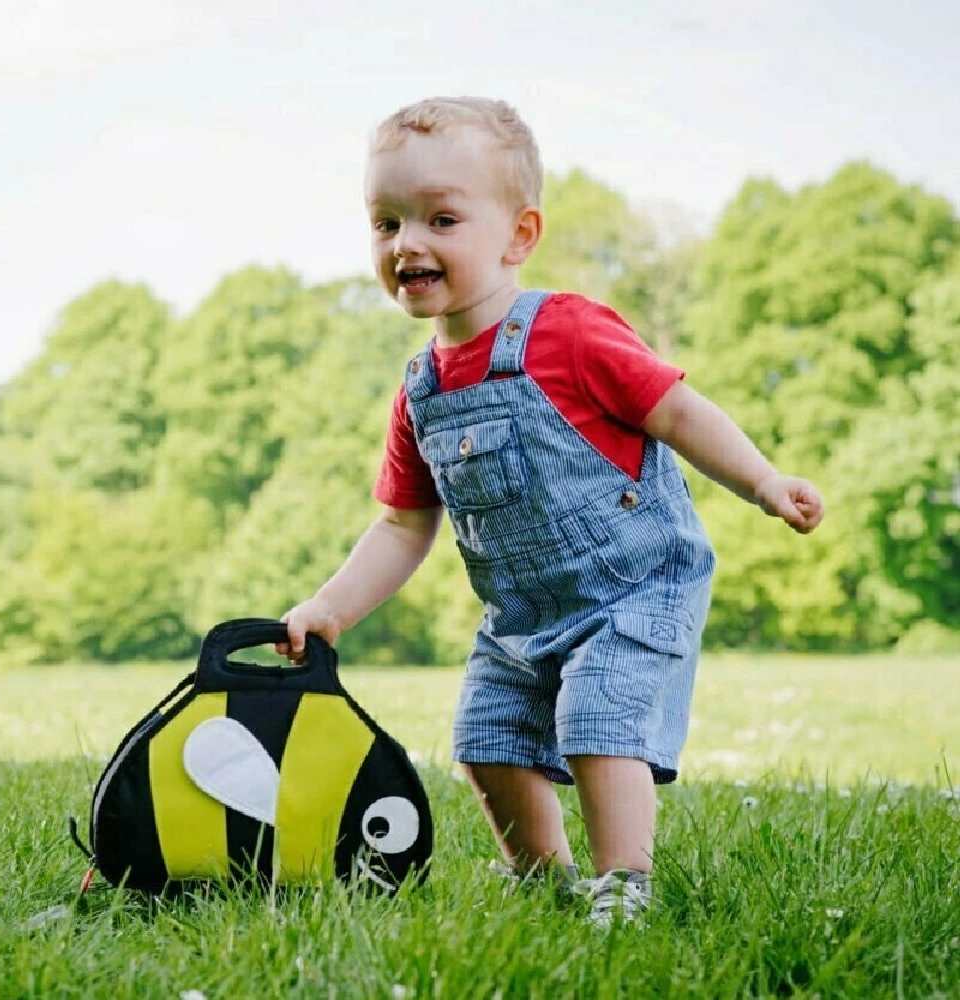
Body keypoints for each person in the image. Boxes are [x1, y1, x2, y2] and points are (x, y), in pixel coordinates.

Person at [277, 96, 824, 928]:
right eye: (386, 223)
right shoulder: (420, 391)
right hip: (522, 613)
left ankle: (622, 885)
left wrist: (763, 482)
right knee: (486, 741)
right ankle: (543, 883)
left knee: (595, 719)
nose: (407, 243)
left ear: (518, 235)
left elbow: (675, 410)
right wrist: (330, 606)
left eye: (441, 218)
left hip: (635, 588)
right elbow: (401, 526)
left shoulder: (567, 332)